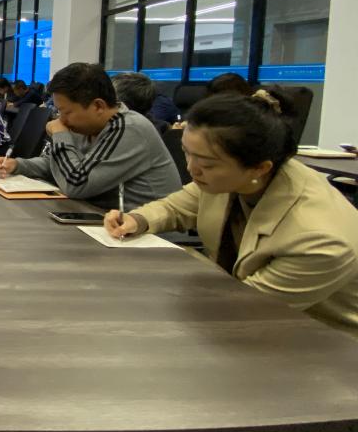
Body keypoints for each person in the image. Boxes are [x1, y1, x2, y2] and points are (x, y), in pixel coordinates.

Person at [105, 88, 358, 337]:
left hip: (326, 343)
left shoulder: (320, 240)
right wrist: (137, 220)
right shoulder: (233, 175)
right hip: (252, 323)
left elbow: (248, 307)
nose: (191, 169)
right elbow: (174, 207)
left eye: (206, 163)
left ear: (260, 168)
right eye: (186, 153)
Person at [0, 63, 182, 210]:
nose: (61, 120)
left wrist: (60, 134)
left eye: (66, 112)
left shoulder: (129, 128)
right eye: (59, 112)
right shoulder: (86, 126)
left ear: (98, 106)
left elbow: (76, 184)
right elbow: (56, 164)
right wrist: (18, 165)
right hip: (100, 219)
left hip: (146, 236)